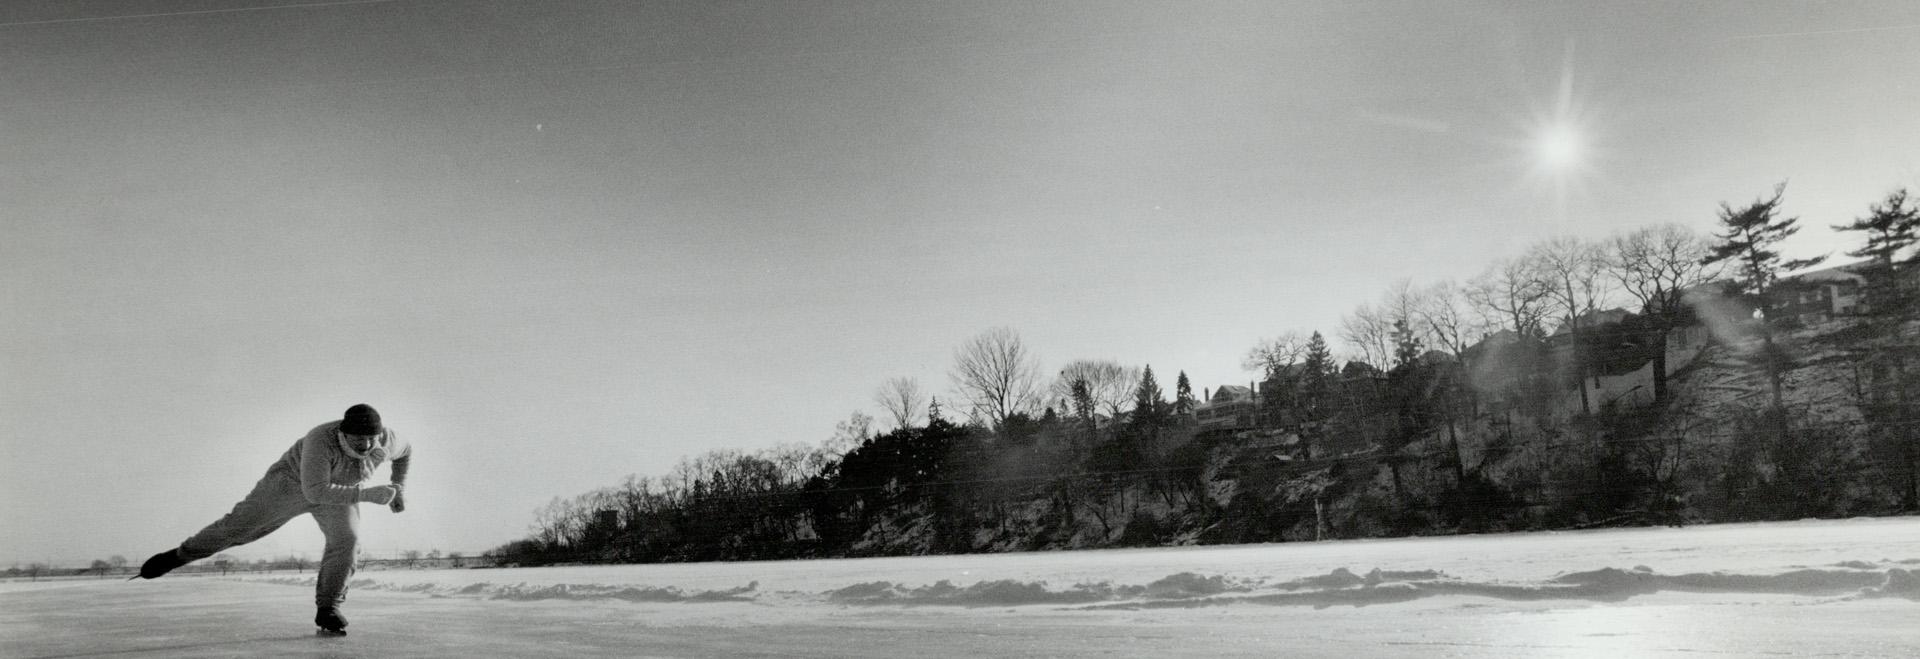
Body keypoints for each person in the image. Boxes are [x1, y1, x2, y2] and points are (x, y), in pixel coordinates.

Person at [135, 403, 412, 634]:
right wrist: (366, 494)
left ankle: (328, 608)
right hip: (289, 485)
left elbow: (406, 452)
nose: (364, 445)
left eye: (370, 440)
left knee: (348, 542)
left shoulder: (388, 439)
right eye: (357, 440)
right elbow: (315, 491)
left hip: (341, 493)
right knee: (237, 530)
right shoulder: (320, 438)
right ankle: (179, 555)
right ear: (342, 433)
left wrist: (398, 487)